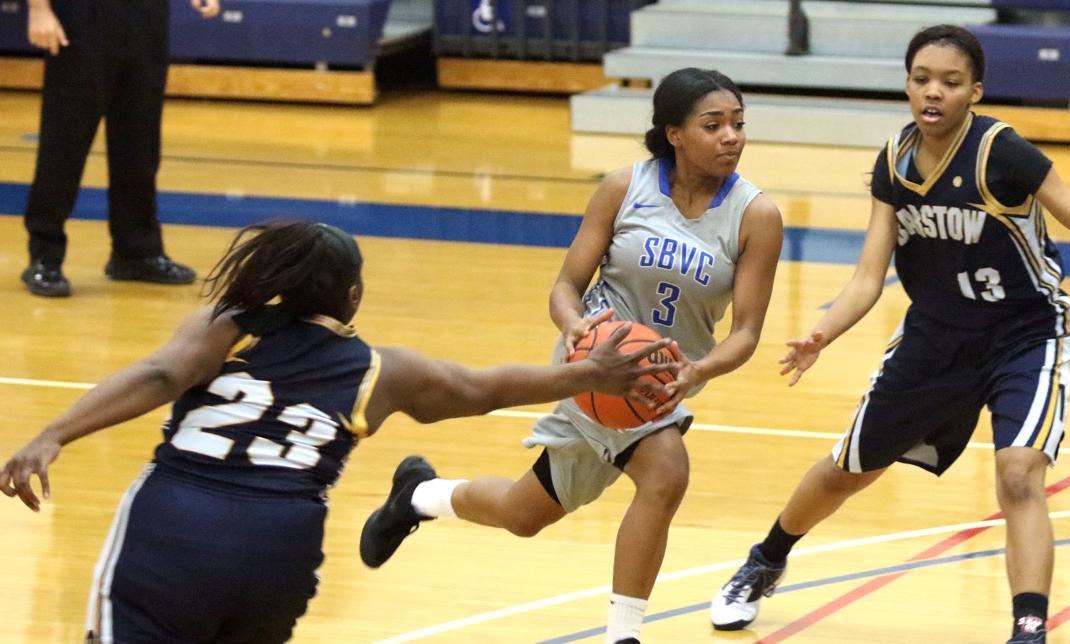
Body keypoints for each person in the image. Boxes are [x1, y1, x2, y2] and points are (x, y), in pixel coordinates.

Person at [709, 24, 1070, 644]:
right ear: (907, 85)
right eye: (921, 79)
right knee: (846, 470)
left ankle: (1028, 628)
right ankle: (766, 559)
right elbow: (867, 277)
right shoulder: (895, 159)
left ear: (974, 92)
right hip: (936, 338)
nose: (933, 92)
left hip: (1027, 333)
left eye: (950, 83)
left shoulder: (1002, 152)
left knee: (1018, 474)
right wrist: (821, 334)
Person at [0, 220, 677, 643]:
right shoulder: (381, 370)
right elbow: (483, 390)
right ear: (352, 297)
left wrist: (53, 433)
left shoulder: (226, 323)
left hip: (175, 524)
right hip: (280, 545)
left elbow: (157, 377)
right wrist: (590, 375)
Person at [359, 67, 785, 644]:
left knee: (522, 514)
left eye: (738, 124)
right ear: (674, 133)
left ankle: (418, 495)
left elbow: (747, 331)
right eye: (714, 125)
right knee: (666, 473)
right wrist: (577, 328)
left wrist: (699, 369)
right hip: (594, 366)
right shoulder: (622, 187)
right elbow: (565, 286)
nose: (731, 136)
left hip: (664, 383)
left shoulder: (757, 216)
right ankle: (623, 635)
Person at [20, 0, 220, 297]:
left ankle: (136, 252)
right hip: (83, 15)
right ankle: (44, 255)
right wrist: (39, 9)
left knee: (139, 139)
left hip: (146, 13)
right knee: (65, 138)